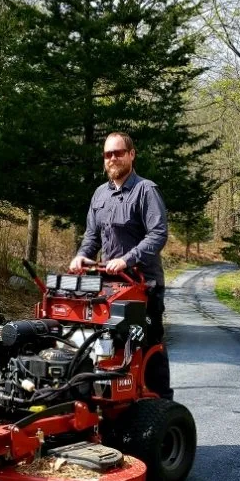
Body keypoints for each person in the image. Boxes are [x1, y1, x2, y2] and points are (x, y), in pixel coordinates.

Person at [69, 131, 172, 398]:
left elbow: (158, 234)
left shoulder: (145, 190)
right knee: (106, 346)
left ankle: (161, 407)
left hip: (143, 287)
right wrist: (82, 255)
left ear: (131, 155)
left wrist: (127, 259)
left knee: (147, 348)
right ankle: (109, 400)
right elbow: (92, 237)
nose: (112, 158)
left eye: (118, 153)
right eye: (108, 154)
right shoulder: (100, 194)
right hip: (109, 288)